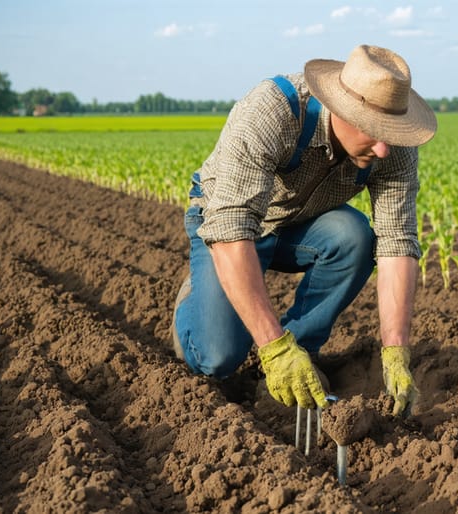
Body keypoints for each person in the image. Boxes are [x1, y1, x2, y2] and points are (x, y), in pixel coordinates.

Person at [171, 44, 437, 417]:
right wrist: (272, 348)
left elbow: (397, 242)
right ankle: (197, 304)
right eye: (373, 132)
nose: (381, 149)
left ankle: (303, 348)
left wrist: (396, 350)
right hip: (229, 228)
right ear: (341, 108)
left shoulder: (392, 148)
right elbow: (231, 228)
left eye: (389, 133)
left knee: (354, 236)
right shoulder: (273, 111)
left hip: (303, 226)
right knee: (215, 358)